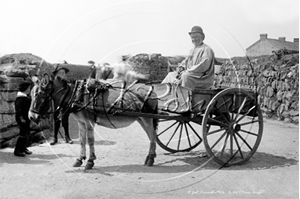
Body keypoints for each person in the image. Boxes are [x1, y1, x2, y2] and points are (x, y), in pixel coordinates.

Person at [162, 26, 215, 90]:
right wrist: (181, 67)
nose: (194, 39)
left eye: (196, 37)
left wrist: (188, 71)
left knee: (185, 76)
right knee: (171, 75)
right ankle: (166, 94)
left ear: (202, 37)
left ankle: (185, 97)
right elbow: (186, 62)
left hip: (202, 78)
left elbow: (203, 66)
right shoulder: (192, 50)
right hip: (190, 74)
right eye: (192, 37)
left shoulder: (207, 49)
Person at [50, 65, 73, 145]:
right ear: (56, 73)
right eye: (61, 72)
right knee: (56, 121)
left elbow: (69, 94)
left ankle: (67, 137)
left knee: (65, 121)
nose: (63, 74)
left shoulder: (66, 84)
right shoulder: (52, 83)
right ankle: (55, 138)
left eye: (64, 73)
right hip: (55, 105)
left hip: (64, 105)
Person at [14, 79, 33, 157]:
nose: (29, 90)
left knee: (26, 133)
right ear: (24, 89)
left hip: (26, 118)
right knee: (22, 134)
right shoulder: (20, 98)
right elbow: (19, 110)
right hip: (22, 119)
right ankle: (17, 150)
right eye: (28, 88)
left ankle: (23, 148)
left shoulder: (26, 97)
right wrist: (22, 118)